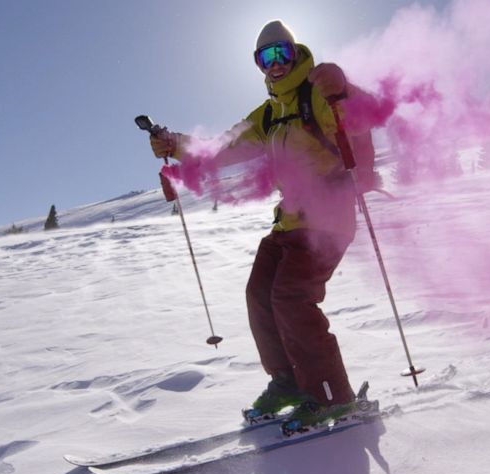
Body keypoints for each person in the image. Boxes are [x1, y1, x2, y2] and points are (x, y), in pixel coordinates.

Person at [148, 21, 377, 431]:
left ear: (294, 52)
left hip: (327, 217)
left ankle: (331, 395)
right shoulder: (269, 113)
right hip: (290, 221)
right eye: (264, 57)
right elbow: (219, 150)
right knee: (259, 294)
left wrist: (345, 89)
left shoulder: (317, 93)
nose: (274, 64)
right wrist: (174, 143)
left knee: (291, 298)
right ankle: (288, 382)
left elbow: (362, 118)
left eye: (280, 54)